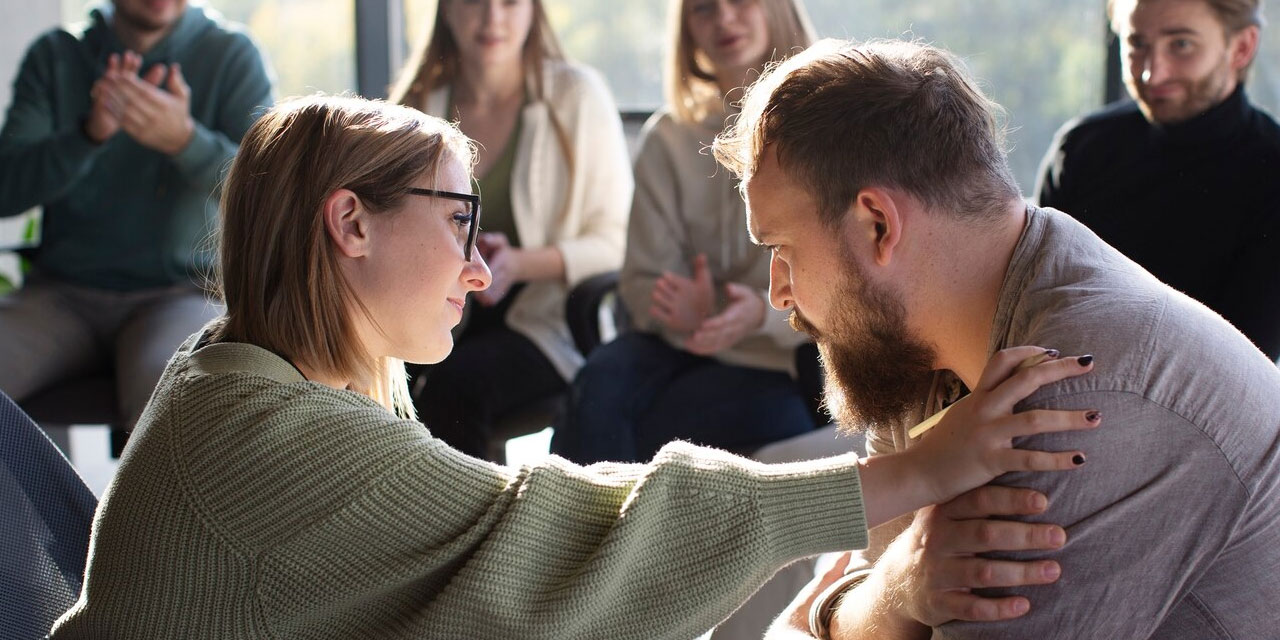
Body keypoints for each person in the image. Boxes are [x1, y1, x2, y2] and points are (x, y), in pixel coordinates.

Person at [48, 94, 1100, 638]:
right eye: (460, 223)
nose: (475, 269)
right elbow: (553, 532)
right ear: (348, 224)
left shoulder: (241, 371)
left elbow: (516, 519)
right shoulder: (271, 435)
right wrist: (915, 473)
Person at [712, 37, 1280, 639]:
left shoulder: (1073, 394)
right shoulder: (920, 337)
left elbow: (818, 618)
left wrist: (867, 604)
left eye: (780, 248)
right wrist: (893, 593)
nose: (778, 292)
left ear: (877, 224)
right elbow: (801, 620)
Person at [551, 0, 820, 464]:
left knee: (635, 428)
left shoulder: (824, 129)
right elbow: (639, 282)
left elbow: (846, 286)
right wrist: (678, 310)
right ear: (687, 31)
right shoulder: (669, 137)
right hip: (674, 343)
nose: (723, 19)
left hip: (778, 359)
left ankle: (608, 534)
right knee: (595, 389)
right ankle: (583, 534)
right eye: (702, 9)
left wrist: (758, 313)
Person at [0, 0, 274, 430]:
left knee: (176, 411)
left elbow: (269, 194)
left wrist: (186, 141)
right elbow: (6, 191)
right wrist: (87, 136)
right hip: (59, 295)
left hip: (180, 293)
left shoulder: (231, 55)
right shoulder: (57, 55)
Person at [388, 0, 632, 460]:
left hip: (547, 320)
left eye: (510, 2)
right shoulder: (418, 104)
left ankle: (475, 526)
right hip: (435, 307)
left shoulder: (577, 96)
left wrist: (518, 264)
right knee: (367, 376)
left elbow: (616, 242)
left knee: (454, 387)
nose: (492, 17)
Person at [1036, 0, 1280, 361]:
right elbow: (1034, 307)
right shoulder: (1080, 149)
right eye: (1137, 45)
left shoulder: (1272, 173)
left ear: (1241, 47)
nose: (1153, 73)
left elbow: (1244, 366)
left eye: (1181, 45)